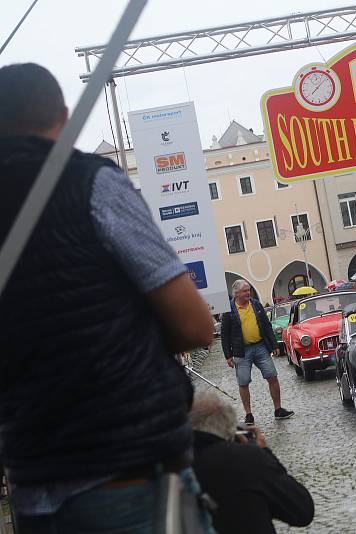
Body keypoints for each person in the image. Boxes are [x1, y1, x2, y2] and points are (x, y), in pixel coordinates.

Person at [0, 63, 215, 530]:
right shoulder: (90, 182)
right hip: (128, 472)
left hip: (33, 487)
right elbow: (196, 326)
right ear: (63, 115)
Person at [190, 391, 314, 534]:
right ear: (229, 426)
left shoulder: (171, 465)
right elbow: (301, 510)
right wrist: (264, 454)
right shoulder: (244, 459)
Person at [221, 280, 294, 424]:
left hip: (260, 347)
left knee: (272, 376)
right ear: (236, 294)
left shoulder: (256, 304)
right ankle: (249, 414)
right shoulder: (228, 310)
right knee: (243, 383)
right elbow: (225, 334)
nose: (248, 293)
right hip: (241, 351)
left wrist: (274, 345)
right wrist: (228, 355)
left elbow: (267, 326)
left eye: (249, 290)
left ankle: (278, 409)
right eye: (245, 291)